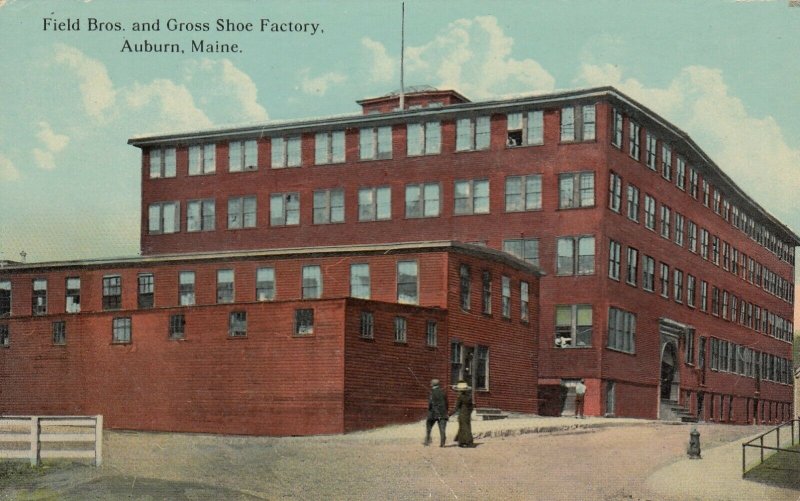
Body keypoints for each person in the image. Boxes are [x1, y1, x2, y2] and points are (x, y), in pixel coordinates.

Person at [424, 379, 448, 447]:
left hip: (433, 413)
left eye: (430, 383)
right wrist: (446, 412)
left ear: (432, 384)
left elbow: (430, 403)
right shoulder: (443, 392)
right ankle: (442, 443)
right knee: (442, 429)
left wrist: (429, 410)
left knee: (429, 426)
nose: (430, 384)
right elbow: (446, 403)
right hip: (443, 413)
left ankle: (427, 441)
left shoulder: (431, 392)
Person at [453, 380, 474, 447]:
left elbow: (456, 407)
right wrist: (469, 412)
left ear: (460, 391)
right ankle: (462, 442)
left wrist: (450, 414)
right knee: (466, 427)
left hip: (462, 413)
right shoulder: (469, 397)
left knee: (463, 428)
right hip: (467, 413)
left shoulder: (460, 397)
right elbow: (471, 406)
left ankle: (468, 442)